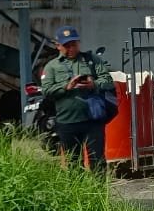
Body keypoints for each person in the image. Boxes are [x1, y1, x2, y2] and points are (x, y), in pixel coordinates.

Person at [40, 25, 114, 171]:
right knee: (73, 163)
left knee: (97, 161)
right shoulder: (52, 67)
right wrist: (66, 86)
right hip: (67, 121)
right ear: (58, 46)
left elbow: (108, 81)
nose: (71, 49)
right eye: (66, 45)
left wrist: (93, 84)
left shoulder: (91, 60)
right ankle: (78, 187)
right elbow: (46, 91)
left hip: (92, 120)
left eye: (74, 44)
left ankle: (98, 186)